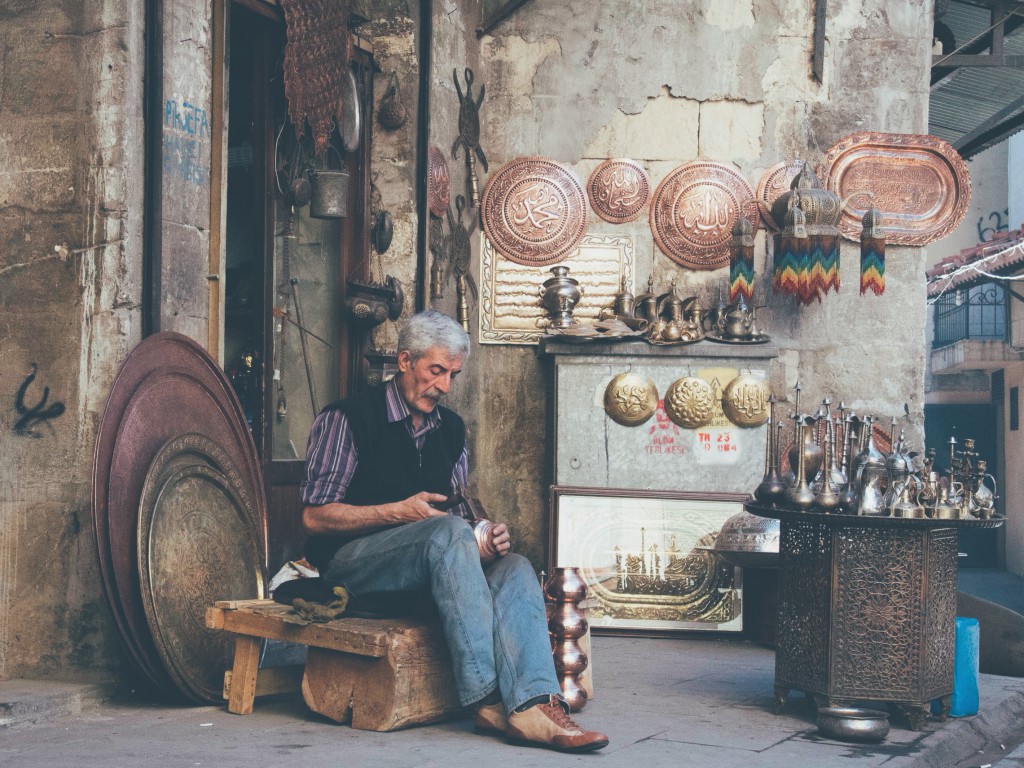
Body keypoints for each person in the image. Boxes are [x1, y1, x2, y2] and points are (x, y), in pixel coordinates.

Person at [300, 309, 608, 753]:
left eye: (453, 375)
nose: (444, 386)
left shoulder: (452, 429)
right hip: (352, 568)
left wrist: (484, 534)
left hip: (426, 569)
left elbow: (459, 513)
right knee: (444, 534)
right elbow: (313, 517)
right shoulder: (347, 418)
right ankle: (485, 699)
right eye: (436, 371)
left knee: (515, 566)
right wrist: (396, 513)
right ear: (405, 361)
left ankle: (535, 705)